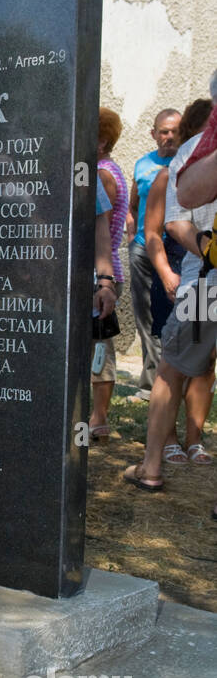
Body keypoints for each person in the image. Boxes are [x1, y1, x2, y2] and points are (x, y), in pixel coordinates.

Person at [124, 89, 217, 494]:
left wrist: (209, 253)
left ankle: (151, 467)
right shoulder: (177, 159)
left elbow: (179, 224)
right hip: (203, 284)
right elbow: (161, 227)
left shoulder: (194, 152)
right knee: (176, 367)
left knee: (172, 370)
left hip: (205, 284)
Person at [125, 108, 182, 398]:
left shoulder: (187, 163)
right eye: (164, 131)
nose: (169, 136)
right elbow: (134, 202)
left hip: (178, 250)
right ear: (154, 134)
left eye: (174, 131)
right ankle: (151, 381)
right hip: (142, 248)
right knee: (145, 314)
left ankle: (178, 379)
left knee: (177, 315)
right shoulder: (142, 164)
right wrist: (133, 222)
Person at [89, 108, 129, 440]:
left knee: (99, 345)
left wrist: (104, 278)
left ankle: (99, 417)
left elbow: (100, 225)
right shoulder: (111, 169)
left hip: (100, 272)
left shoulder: (100, 175)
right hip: (106, 269)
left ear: (102, 140)